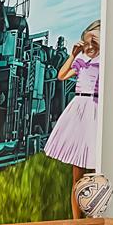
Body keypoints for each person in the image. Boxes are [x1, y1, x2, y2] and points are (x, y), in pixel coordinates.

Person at [44, 21, 103, 169]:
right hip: (79, 105)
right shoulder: (82, 60)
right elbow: (62, 75)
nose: (90, 47)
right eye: (86, 43)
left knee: (93, 146)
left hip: (95, 104)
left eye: (94, 42)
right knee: (78, 148)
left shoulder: (103, 62)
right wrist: (73, 55)